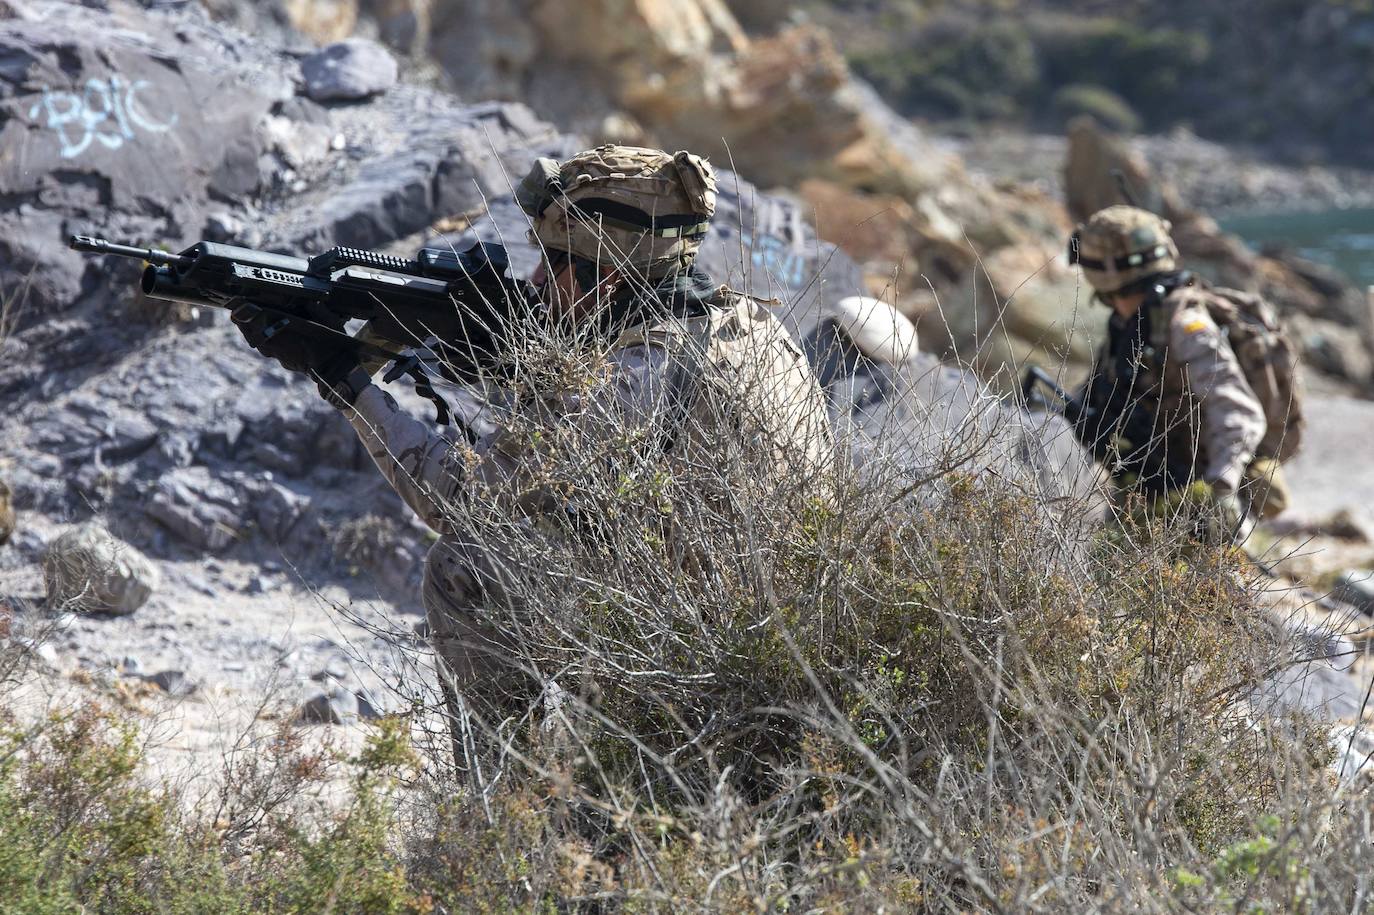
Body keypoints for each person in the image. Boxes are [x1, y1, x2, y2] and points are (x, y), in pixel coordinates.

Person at [234, 145, 833, 759]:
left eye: (552, 263)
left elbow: (462, 502)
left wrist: (345, 381)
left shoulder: (638, 370)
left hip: (705, 632)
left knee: (464, 568)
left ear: (606, 278)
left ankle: (502, 794)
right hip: (790, 612)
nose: (539, 283)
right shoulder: (749, 325)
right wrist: (518, 369)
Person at [1066, 204, 1296, 537]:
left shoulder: (1185, 326)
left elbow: (1239, 415)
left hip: (1199, 498)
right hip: (1148, 491)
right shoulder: (1129, 327)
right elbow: (1100, 394)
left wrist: (1220, 492)